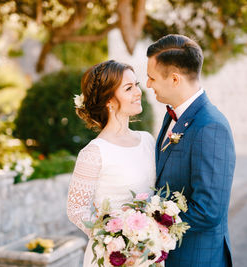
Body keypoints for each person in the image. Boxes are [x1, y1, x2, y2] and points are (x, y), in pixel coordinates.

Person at [146, 34, 236, 267]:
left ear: (174, 79)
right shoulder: (172, 115)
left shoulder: (211, 126)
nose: (148, 84)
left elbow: (208, 210)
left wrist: (149, 224)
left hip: (196, 258)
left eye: (151, 78)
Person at [66, 60, 156, 267]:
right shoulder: (94, 153)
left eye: (137, 85)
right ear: (109, 100)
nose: (138, 92)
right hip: (112, 256)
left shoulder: (147, 140)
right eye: (128, 88)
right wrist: (117, 239)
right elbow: (76, 210)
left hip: (148, 251)